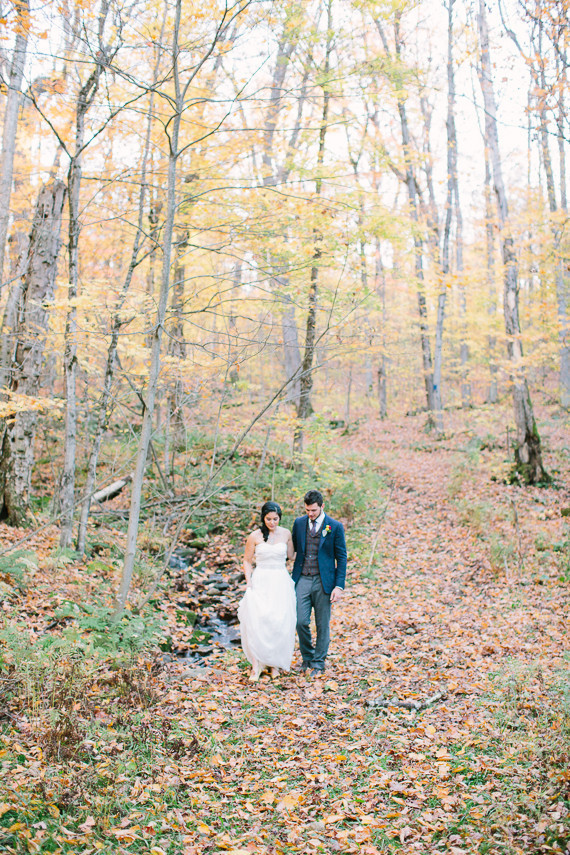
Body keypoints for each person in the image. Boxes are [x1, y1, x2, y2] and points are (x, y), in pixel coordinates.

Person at [238, 501, 296, 682]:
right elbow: (247, 560)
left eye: (275, 519)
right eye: (269, 519)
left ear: (280, 518)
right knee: (258, 620)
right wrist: (249, 582)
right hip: (261, 579)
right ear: (263, 518)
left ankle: (274, 664)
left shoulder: (286, 533)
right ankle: (256, 665)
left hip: (280, 580)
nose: (272, 522)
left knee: (278, 621)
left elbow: (293, 556)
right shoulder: (254, 536)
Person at [291, 489, 347, 676]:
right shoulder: (298, 524)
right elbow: (293, 550)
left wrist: (339, 586)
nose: (310, 514)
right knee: (300, 621)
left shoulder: (335, 526)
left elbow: (342, 557)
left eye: (313, 510)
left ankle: (318, 662)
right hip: (303, 579)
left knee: (323, 624)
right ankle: (307, 657)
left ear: (322, 506)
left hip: (325, 581)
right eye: (307, 510)